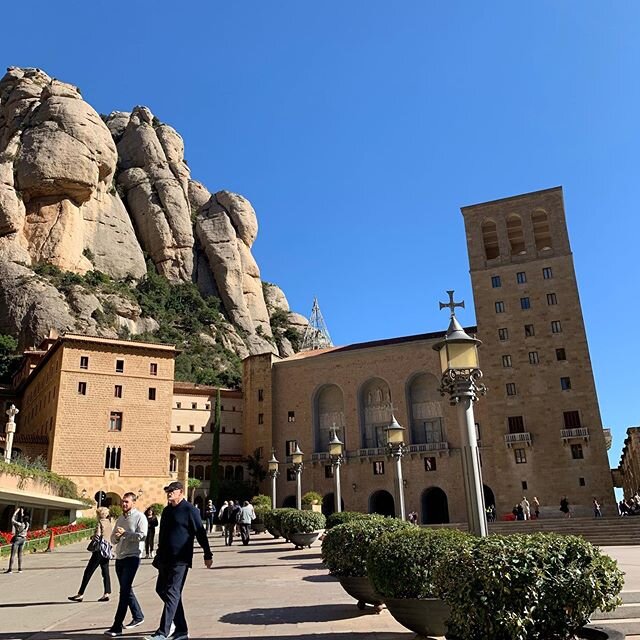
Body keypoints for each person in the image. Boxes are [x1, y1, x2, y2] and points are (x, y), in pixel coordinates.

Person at [144, 481, 213, 640]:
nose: (169, 493)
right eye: (167, 491)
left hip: (180, 559)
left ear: (181, 492)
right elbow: (163, 534)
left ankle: (162, 632)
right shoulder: (167, 511)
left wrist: (207, 554)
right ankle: (181, 629)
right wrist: (158, 553)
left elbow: (200, 533)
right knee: (162, 590)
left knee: (172, 592)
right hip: (165, 558)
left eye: (172, 491)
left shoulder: (190, 510)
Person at [104, 492, 148, 636]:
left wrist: (125, 535)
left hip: (132, 557)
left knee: (124, 592)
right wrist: (116, 538)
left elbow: (142, 536)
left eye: (127, 502)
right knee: (126, 589)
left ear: (133, 503)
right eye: (123, 501)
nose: (124, 504)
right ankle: (138, 615)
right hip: (120, 557)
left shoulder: (140, 517)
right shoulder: (120, 518)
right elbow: (113, 537)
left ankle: (117, 626)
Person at [68, 506, 112, 601]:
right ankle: (107, 593)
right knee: (105, 572)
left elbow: (97, 535)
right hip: (106, 550)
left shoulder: (99, 523)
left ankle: (81, 594)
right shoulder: (109, 523)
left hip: (99, 551)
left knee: (88, 572)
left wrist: (92, 537)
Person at [5, 509, 29, 573]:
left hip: (17, 539)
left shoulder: (19, 524)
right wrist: (21, 512)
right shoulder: (27, 524)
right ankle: (20, 569)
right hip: (23, 539)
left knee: (13, 555)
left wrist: (15, 512)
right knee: (20, 555)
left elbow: (12, 520)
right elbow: (23, 519)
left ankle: (10, 569)